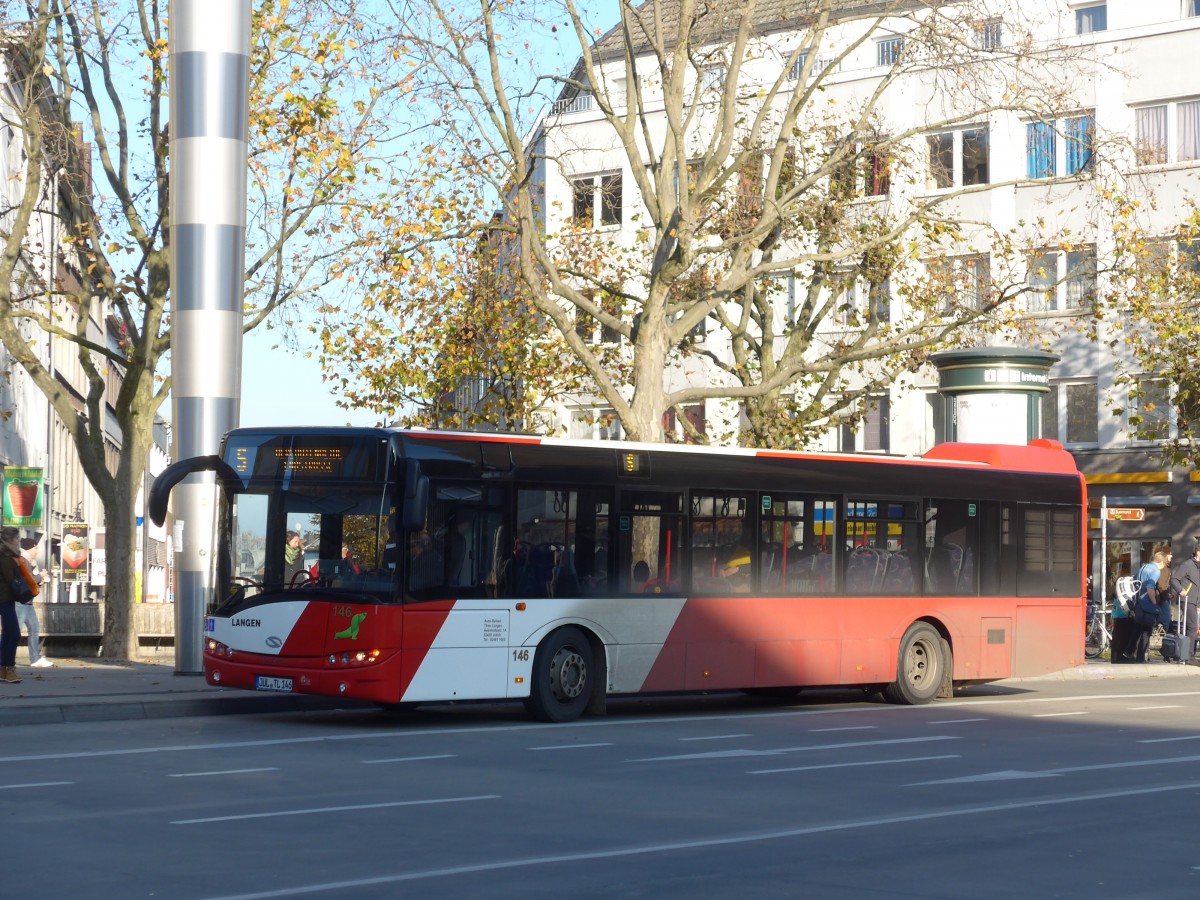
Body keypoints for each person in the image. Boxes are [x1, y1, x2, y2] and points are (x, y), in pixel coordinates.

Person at [1128, 548, 1171, 663]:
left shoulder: (1144, 567)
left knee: (1138, 628)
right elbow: (1150, 587)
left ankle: (1129, 651)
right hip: (1147, 604)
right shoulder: (1156, 571)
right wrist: (1154, 602)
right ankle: (1140, 657)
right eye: (1164, 564)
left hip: (1139, 602)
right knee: (1147, 631)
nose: (1163, 567)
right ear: (1161, 562)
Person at [18, 540, 51, 668]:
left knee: (34, 628)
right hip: (20, 601)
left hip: (27, 601)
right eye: (36, 548)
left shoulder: (29, 562)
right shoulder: (23, 560)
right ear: (30, 548)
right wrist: (40, 576)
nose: (37, 551)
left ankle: (35, 658)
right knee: (14, 632)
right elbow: (27, 580)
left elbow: (30, 581)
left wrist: (39, 582)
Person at [0, 527, 24, 683]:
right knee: (14, 634)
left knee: (7, 634)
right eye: (17, 539)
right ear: (9, 540)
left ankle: (3, 670)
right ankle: (9, 669)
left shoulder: (7, 556)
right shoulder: (7, 558)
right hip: (4, 599)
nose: (19, 542)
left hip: (5, 598)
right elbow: (12, 580)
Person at [1170, 539, 1200, 639]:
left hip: (1196, 601)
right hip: (1187, 599)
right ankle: (1188, 654)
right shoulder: (1187, 565)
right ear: (1198, 552)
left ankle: (1188, 650)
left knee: (1193, 627)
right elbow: (1174, 579)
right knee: (1192, 626)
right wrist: (1181, 590)